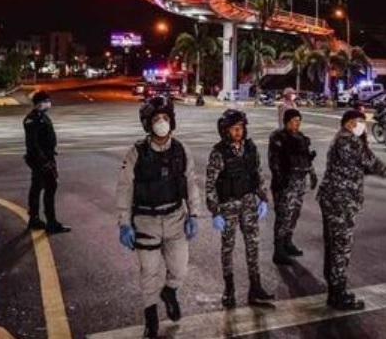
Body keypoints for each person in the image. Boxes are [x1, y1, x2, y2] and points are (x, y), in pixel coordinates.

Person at [116, 96, 201, 338]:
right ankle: (151, 316)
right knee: (149, 272)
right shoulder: (136, 153)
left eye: (165, 118)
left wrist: (194, 214)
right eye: (156, 119)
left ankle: (170, 291)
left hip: (175, 218)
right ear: (147, 123)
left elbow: (190, 183)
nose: (161, 123)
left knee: (180, 269)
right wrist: (124, 224)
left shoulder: (181, 150)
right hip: (146, 221)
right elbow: (125, 189)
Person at [318, 110, 386, 310]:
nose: (362, 126)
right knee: (340, 248)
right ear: (349, 123)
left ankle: (334, 290)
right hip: (341, 201)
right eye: (359, 122)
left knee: (334, 246)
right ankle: (338, 295)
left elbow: (361, 165)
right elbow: (371, 164)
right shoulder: (349, 141)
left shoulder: (342, 138)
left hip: (333, 199)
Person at [205, 109, 275, 308]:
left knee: (253, 246)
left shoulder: (250, 149)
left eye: (241, 128)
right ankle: (229, 290)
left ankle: (256, 288)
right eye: (234, 128)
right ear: (225, 130)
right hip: (228, 206)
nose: (238, 132)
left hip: (249, 203)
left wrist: (263, 198)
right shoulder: (219, 153)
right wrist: (215, 211)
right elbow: (210, 184)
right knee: (228, 248)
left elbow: (258, 175)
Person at [268, 108, 318, 266]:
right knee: (283, 215)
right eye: (294, 121)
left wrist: (312, 174)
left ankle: (287, 243)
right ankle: (278, 250)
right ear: (286, 121)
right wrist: (279, 178)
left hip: (299, 182)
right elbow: (274, 161)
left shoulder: (300, 137)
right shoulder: (278, 137)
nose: (297, 123)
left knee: (294, 214)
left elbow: (306, 158)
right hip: (285, 183)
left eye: (298, 121)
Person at [23, 90, 71, 234]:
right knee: (50, 187)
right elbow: (33, 144)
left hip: (45, 158)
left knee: (37, 187)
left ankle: (34, 219)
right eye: (46, 101)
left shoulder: (42, 117)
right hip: (41, 160)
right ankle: (51, 222)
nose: (48, 104)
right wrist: (44, 161)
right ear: (39, 103)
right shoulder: (32, 119)